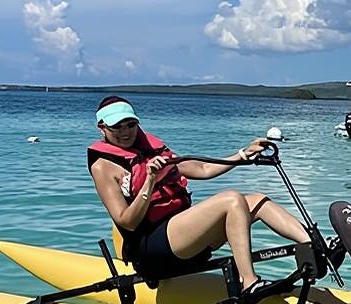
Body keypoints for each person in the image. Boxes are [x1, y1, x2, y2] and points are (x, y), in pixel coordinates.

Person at [87, 96, 311, 289]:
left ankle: (312, 246)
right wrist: (150, 181)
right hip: (151, 251)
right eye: (117, 127)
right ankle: (249, 282)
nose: (125, 132)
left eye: (130, 124)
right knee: (231, 200)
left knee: (257, 201)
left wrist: (244, 154)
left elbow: (203, 169)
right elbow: (127, 222)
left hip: (183, 239)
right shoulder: (103, 167)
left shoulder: (150, 150)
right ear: (102, 128)